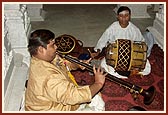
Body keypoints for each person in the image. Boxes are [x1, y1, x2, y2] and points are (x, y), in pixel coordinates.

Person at [25, 29, 107, 111]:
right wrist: (98, 83)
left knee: (93, 94)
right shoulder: (49, 77)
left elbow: (63, 63)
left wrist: (77, 64)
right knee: (97, 100)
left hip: (54, 100)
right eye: (52, 45)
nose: (56, 47)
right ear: (41, 49)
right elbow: (73, 97)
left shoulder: (38, 59)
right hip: (51, 109)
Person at [90, 6, 153, 78]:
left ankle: (126, 73)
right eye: (121, 16)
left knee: (147, 67)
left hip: (130, 57)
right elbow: (103, 40)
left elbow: (142, 43)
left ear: (129, 16)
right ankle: (130, 73)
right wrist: (97, 51)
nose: (124, 18)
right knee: (105, 65)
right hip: (115, 56)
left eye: (126, 15)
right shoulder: (113, 27)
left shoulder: (134, 29)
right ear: (117, 16)